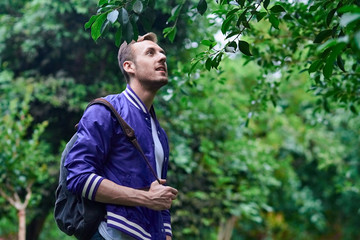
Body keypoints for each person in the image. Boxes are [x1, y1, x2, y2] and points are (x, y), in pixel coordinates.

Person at [65, 32, 178, 240]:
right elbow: (78, 177)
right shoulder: (105, 111)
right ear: (129, 66)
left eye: (162, 53)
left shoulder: (159, 133)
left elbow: (159, 199)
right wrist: (145, 198)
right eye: (150, 53)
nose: (162, 57)